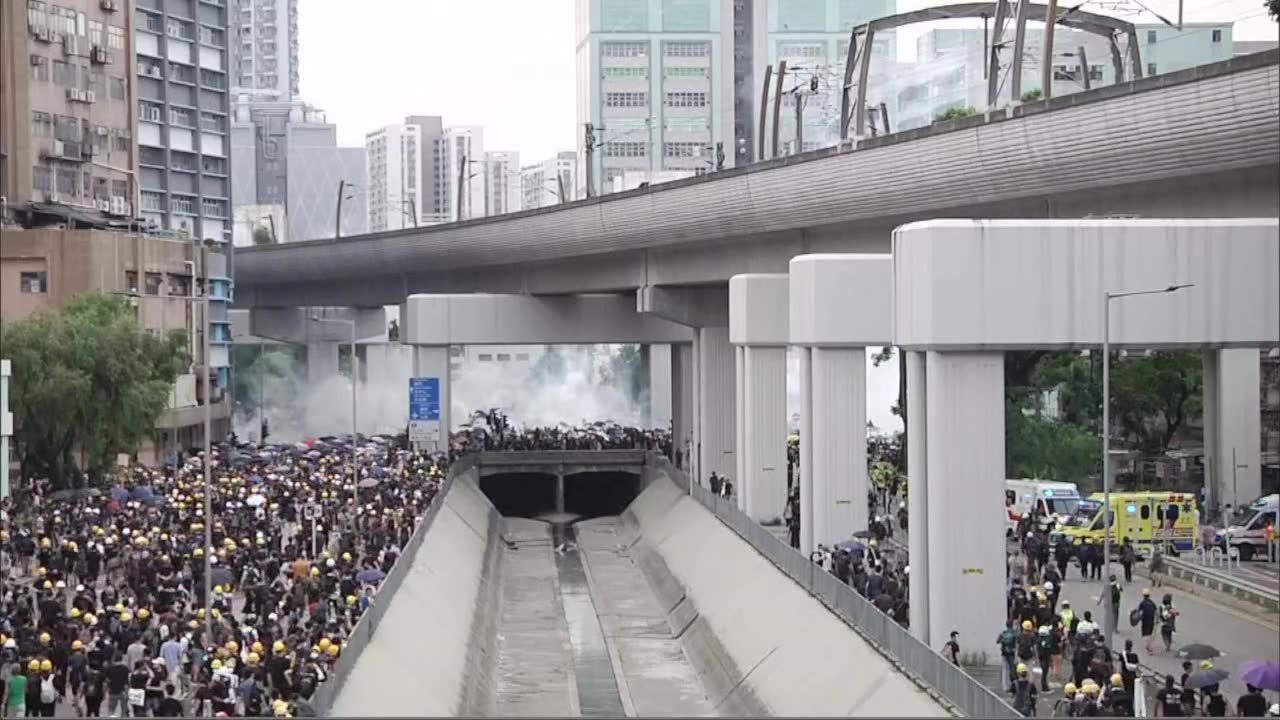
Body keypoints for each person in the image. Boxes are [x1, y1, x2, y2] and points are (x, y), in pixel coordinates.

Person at [1136, 588, 1158, 653]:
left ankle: (1149, 647)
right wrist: (1157, 619)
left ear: (1143, 595)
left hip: (1145, 620)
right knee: (1150, 634)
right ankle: (1148, 646)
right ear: (1149, 595)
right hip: (1151, 620)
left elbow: (1138, 612)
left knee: (1146, 634)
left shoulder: (1142, 603)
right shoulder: (1152, 602)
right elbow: (1156, 611)